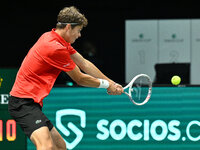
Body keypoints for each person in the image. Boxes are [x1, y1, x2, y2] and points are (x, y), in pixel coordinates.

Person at [8, 6, 124, 150]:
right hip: (23, 103)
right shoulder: (54, 47)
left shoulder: (53, 38)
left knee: (60, 146)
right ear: (69, 27)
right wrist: (106, 86)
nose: (79, 35)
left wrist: (112, 83)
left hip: (32, 103)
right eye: (79, 31)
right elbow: (80, 78)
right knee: (46, 146)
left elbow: (84, 63)